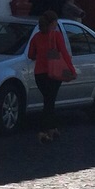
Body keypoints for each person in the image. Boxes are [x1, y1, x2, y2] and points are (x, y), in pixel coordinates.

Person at [27, 10, 75, 143]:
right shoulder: (56, 36)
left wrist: (42, 56)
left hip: (39, 75)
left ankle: (52, 128)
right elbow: (64, 53)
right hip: (53, 74)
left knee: (48, 100)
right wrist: (71, 70)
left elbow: (31, 55)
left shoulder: (36, 37)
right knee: (49, 102)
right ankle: (44, 131)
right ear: (53, 22)